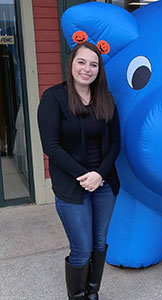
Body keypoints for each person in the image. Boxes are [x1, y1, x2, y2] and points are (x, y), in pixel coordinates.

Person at [38, 42, 120, 300]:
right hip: (71, 186)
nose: (87, 69)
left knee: (98, 244)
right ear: (71, 63)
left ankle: (92, 294)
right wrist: (85, 176)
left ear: (99, 69)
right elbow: (51, 145)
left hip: (104, 184)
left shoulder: (106, 98)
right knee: (82, 249)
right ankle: (78, 297)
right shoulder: (54, 98)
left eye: (93, 64)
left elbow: (116, 142)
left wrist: (100, 175)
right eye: (81, 62)